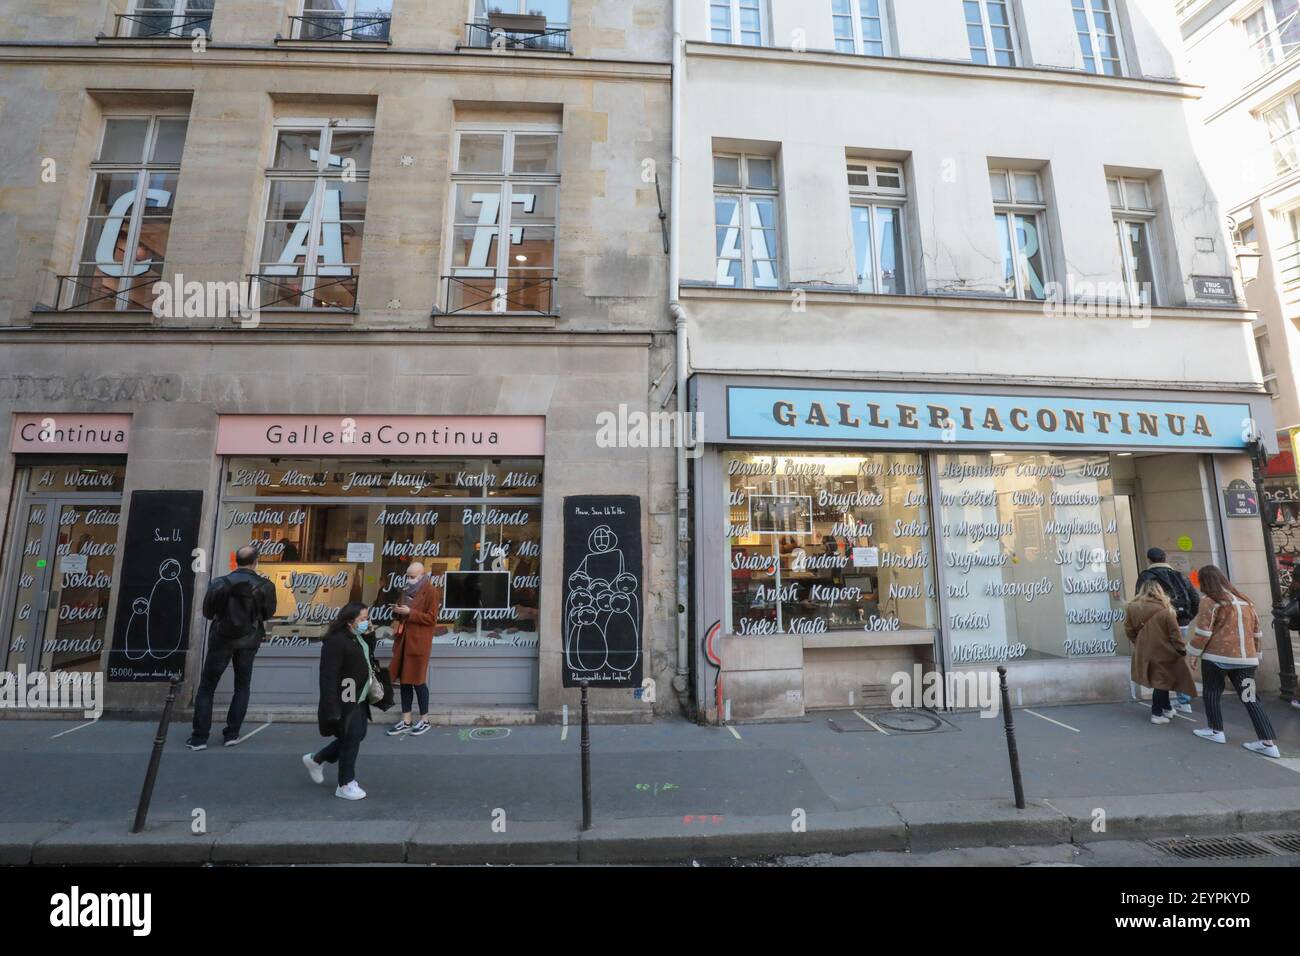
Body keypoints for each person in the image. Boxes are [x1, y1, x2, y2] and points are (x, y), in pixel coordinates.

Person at [187, 545, 278, 751]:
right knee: (242, 687)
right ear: (256, 562)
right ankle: (232, 734)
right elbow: (268, 613)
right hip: (249, 641)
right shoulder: (265, 586)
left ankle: (199, 737)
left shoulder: (219, 583)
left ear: (236, 561)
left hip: (221, 640)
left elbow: (208, 612)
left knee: (207, 687)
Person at [1188, 565, 1280, 758]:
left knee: (1212, 692)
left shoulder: (1210, 601)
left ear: (1205, 582)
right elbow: (1257, 632)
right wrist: (1257, 654)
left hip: (1217, 657)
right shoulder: (1246, 601)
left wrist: (1194, 653)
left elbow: (1204, 631)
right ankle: (1268, 742)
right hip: (1246, 659)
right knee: (1250, 698)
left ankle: (1216, 730)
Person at [304, 602, 378, 800]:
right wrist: (332, 708)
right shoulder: (336, 642)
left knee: (357, 734)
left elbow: (366, 656)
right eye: (363, 619)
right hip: (346, 695)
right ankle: (345, 784)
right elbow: (327, 677)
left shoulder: (358, 637)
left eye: (367, 618)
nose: (367, 622)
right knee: (351, 738)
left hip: (358, 693)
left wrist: (370, 635)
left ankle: (317, 759)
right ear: (349, 621)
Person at [1124, 580, 1197, 724]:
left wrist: (1139, 642)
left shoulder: (1132, 608)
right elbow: (1174, 634)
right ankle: (1156, 713)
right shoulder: (1166, 610)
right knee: (1161, 682)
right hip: (1163, 650)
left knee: (1160, 680)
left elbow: (1129, 630)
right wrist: (1181, 649)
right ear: (1160, 591)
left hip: (1143, 650)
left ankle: (1167, 708)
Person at [1136, 548, 1200, 713]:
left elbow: (1140, 602)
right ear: (1164, 558)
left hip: (1158, 625)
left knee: (1160, 663)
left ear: (1149, 559)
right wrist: (1186, 618)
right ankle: (1183, 700)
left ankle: (1163, 706)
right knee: (1176, 659)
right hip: (1181, 624)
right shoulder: (1179, 576)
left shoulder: (1146, 576)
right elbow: (1195, 599)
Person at [387, 561, 442, 736]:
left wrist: (410, 613)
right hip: (403, 640)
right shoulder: (404, 591)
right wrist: (396, 610)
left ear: (421, 574)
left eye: (412, 577)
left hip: (419, 642)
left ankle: (424, 719)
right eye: (408, 576)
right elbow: (401, 613)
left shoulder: (431, 591)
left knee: (418, 681)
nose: (409, 579)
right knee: (404, 681)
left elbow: (432, 619)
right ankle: (406, 719)